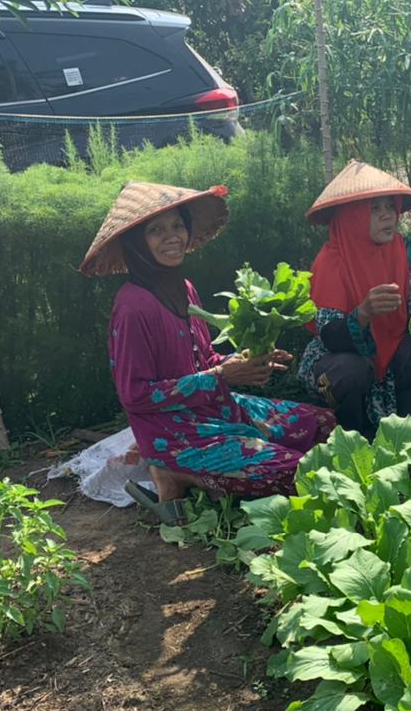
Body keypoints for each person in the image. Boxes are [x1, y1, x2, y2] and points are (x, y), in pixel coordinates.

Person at [80, 182, 336, 521]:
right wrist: (220, 376)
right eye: (156, 231)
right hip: (173, 433)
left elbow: (204, 362)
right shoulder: (132, 308)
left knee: (321, 424)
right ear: (136, 242)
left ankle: (185, 476)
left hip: (214, 410)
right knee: (295, 472)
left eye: (177, 225)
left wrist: (243, 361)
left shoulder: (183, 287)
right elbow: (135, 395)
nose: (172, 237)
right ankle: (172, 471)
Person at [298, 160, 411, 434]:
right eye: (374, 209)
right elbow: (330, 336)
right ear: (351, 216)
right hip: (338, 360)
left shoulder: (409, 252)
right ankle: (351, 433)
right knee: (350, 371)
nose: (387, 215)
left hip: (392, 355)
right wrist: (362, 314)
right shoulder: (331, 260)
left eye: (390, 206)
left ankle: (395, 425)